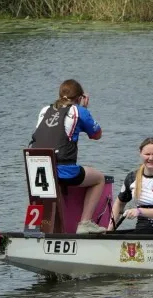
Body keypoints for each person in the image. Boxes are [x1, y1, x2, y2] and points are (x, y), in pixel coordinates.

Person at [30, 79, 106, 234]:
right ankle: (85, 223)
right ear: (79, 98)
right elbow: (97, 135)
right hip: (63, 170)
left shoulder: (44, 110)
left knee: (47, 182)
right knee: (99, 179)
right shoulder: (79, 111)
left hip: (37, 170)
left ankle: (34, 226)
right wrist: (83, 109)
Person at [108, 138, 153, 234]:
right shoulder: (132, 177)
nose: (151, 158)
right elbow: (118, 204)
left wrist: (139, 211)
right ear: (140, 153)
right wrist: (109, 230)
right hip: (142, 230)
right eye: (147, 154)